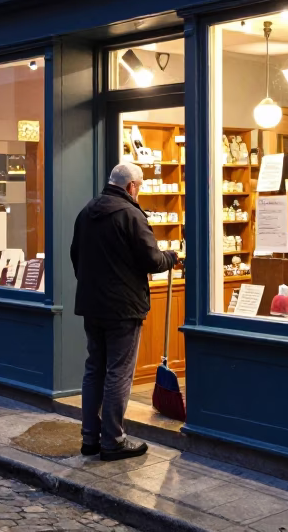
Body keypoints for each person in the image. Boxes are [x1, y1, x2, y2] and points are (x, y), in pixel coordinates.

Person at [70, 162, 177, 461]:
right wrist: (171, 257)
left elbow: (76, 256)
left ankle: (90, 438)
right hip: (123, 308)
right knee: (119, 373)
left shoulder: (87, 211)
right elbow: (152, 261)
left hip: (92, 306)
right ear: (131, 186)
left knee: (95, 370)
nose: (139, 192)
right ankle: (113, 441)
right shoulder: (131, 214)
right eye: (139, 186)